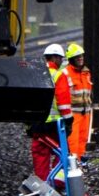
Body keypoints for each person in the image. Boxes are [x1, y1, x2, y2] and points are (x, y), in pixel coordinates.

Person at [31, 41, 69, 181]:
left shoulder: (35, 74)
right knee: (62, 152)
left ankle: (42, 185)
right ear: (54, 58)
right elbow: (63, 103)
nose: (61, 62)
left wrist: (29, 123)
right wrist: (69, 121)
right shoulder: (59, 75)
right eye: (61, 58)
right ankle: (58, 183)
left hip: (37, 124)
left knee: (40, 154)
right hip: (54, 125)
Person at [62, 42, 96, 162]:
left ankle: (81, 163)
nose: (80, 58)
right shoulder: (66, 73)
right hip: (73, 114)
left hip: (85, 113)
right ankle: (73, 164)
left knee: (83, 139)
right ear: (71, 59)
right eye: (77, 57)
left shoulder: (86, 72)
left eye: (81, 56)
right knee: (73, 140)